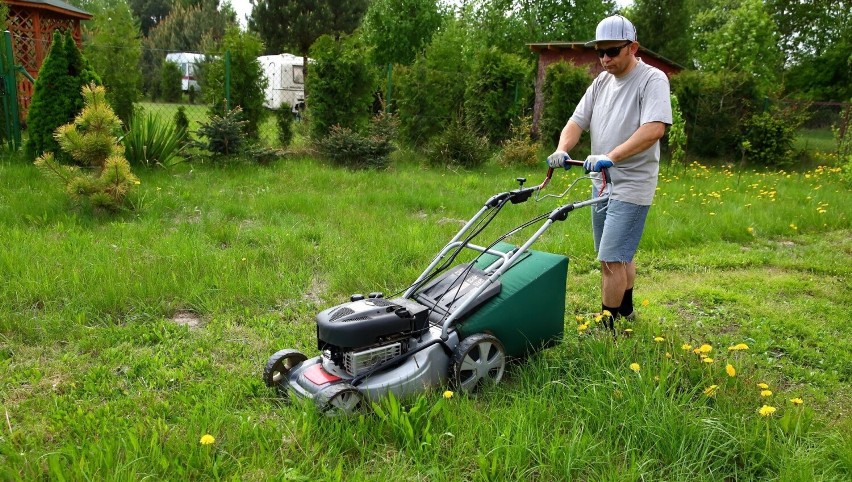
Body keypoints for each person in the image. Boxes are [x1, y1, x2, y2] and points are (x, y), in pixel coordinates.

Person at [546, 15, 672, 332]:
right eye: (600, 52)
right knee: (619, 255)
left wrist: (610, 157)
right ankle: (626, 314)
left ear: (633, 47)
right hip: (601, 183)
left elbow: (655, 128)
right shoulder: (601, 81)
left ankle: (608, 330)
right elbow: (576, 122)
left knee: (611, 260)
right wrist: (563, 149)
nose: (605, 59)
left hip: (631, 185)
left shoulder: (652, 80)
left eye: (613, 51)